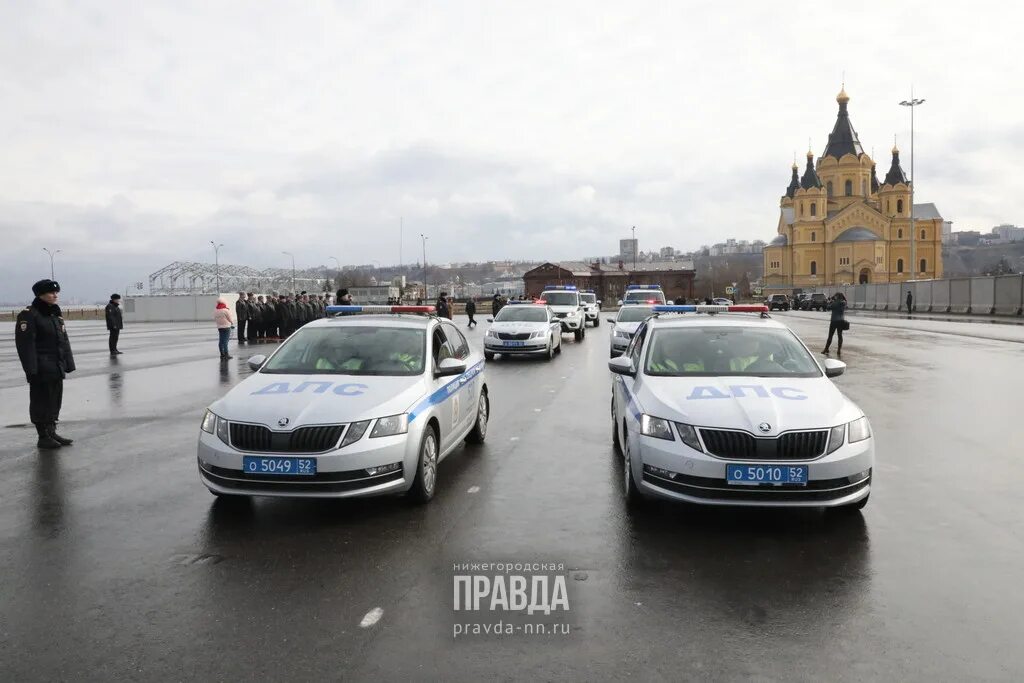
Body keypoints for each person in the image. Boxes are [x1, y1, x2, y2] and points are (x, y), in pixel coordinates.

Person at [15, 279, 77, 449]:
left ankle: (52, 431)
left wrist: (68, 363)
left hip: (56, 366)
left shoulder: (54, 314)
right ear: (40, 295)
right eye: (51, 293)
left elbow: (63, 341)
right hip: (41, 368)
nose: (55, 296)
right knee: (40, 401)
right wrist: (31, 370)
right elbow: (26, 345)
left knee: (54, 400)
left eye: (56, 293)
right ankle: (43, 436)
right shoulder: (30, 315)